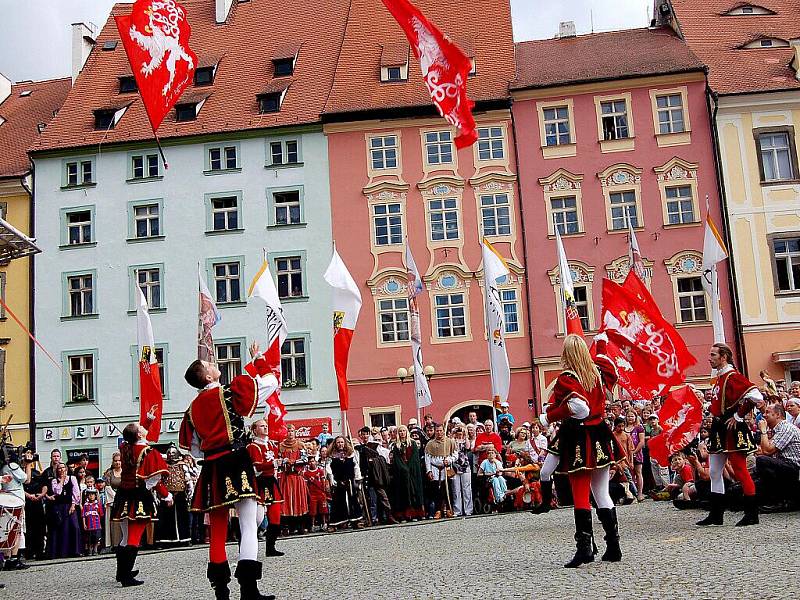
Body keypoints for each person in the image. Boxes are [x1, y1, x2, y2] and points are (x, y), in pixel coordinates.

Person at [180, 342, 279, 600]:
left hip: (212, 466)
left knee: (218, 528)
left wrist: (212, 448)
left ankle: (221, 592)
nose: (215, 364)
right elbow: (270, 383)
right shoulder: (227, 393)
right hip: (235, 460)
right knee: (248, 524)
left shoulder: (190, 410)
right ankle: (248, 590)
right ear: (208, 376)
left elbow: (194, 450)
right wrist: (258, 358)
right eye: (210, 364)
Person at [538, 333, 622, 568]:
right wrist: (602, 343)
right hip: (600, 434)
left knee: (581, 494)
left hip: (579, 437)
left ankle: (584, 548)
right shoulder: (596, 371)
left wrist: (549, 416)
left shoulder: (568, 378)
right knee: (602, 492)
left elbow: (579, 408)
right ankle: (613, 546)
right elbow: (608, 364)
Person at [697, 343, 762, 528]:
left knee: (740, 469)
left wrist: (738, 415)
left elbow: (756, 396)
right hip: (719, 427)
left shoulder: (733, 376)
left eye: (713, 355)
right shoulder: (720, 377)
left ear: (723, 356)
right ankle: (716, 514)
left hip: (731, 428)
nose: (709, 358)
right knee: (715, 471)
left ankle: (751, 514)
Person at [111, 421, 172, 586]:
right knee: (134, 538)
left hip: (122, 496)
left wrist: (148, 420)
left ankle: (122, 572)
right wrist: (166, 496)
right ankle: (126, 578)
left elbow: (133, 435)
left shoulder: (124, 447)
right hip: (138, 497)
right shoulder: (148, 452)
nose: (145, 428)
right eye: (142, 428)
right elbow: (154, 481)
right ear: (138, 435)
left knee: (125, 538)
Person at [247, 419, 283, 558]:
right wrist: (272, 464)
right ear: (255, 430)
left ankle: (271, 548)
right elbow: (256, 468)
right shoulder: (253, 447)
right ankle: (246, 547)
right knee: (256, 518)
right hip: (259, 483)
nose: (266, 428)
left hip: (271, 482)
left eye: (266, 426)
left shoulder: (271, 445)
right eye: (262, 426)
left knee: (275, 517)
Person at [755, 403, 800, 510]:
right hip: (786, 466)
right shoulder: (778, 429)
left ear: (778, 415)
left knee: (762, 461)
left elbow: (766, 451)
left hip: (795, 468)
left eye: (767, 413)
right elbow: (764, 450)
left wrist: (763, 430)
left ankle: (777, 501)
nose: (764, 415)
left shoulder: (786, 428)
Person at [354, 428, 393, 525]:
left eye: (367, 434)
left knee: (384, 498)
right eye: (363, 434)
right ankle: (373, 519)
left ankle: (388, 516)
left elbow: (382, 459)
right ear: (361, 436)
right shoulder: (359, 449)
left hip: (377, 476)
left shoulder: (375, 446)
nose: (365, 436)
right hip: (367, 477)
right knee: (372, 500)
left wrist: (374, 461)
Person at [156, 446, 192, 545]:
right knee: (166, 518)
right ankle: (166, 540)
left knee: (183, 517)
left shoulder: (183, 465)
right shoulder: (163, 466)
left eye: (173, 453)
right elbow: (160, 480)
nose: (171, 455)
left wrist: (189, 493)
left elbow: (188, 479)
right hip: (166, 494)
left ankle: (185, 539)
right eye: (169, 453)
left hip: (180, 493)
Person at [326, 436, 363, 531]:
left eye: (342, 442)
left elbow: (356, 467)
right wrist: (332, 480)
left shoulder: (350, 454)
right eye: (338, 442)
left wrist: (358, 478)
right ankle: (337, 523)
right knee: (338, 502)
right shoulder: (331, 456)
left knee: (353, 501)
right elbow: (328, 470)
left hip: (350, 481)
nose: (340, 444)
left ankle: (356, 521)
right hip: (338, 482)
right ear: (335, 444)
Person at [278, 425, 309, 534]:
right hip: (286, 478)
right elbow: (278, 461)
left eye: (292, 431)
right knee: (286, 501)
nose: (290, 433)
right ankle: (286, 526)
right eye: (288, 431)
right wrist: (284, 461)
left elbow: (305, 459)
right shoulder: (281, 446)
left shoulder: (300, 445)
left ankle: (300, 525)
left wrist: (294, 462)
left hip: (297, 477)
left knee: (298, 500)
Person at [389, 425, 425, 522]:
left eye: (404, 431)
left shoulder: (412, 444)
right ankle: (404, 515)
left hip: (412, 473)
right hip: (402, 475)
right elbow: (397, 460)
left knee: (414, 492)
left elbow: (415, 458)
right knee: (403, 494)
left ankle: (415, 514)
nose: (402, 433)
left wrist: (409, 468)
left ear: (406, 432)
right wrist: (404, 469)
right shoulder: (396, 446)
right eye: (400, 431)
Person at [46, 463, 82, 559]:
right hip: (59, 507)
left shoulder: (72, 478)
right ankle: (62, 552)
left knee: (74, 527)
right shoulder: (54, 481)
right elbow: (57, 492)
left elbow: (76, 492)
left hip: (70, 505)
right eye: (59, 468)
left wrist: (74, 504)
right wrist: (61, 480)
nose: (61, 470)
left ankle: (76, 550)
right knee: (61, 529)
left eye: (63, 467)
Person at [424, 424, 457, 518]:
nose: (439, 433)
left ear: (444, 431)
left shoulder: (450, 442)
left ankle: (448, 509)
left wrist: (449, 460)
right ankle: (438, 510)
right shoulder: (430, 444)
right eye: (437, 431)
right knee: (436, 491)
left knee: (447, 490)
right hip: (435, 468)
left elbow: (455, 454)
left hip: (445, 468)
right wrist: (429, 471)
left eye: (441, 430)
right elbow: (427, 458)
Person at [449, 426, 473, 517]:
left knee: (466, 488)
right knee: (456, 489)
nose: (459, 433)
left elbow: (468, 447)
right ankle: (457, 510)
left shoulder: (465, 440)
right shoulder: (453, 441)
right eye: (458, 432)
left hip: (465, 466)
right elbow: (449, 445)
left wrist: (465, 434)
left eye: (461, 432)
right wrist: (452, 432)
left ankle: (468, 510)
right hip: (455, 467)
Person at [623, 409, 646, 502]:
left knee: (638, 472)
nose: (630, 418)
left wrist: (634, 451)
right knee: (628, 474)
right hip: (625, 455)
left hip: (637, 453)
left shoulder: (639, 428)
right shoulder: (623, 428)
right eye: (628, 416)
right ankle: (631, 493)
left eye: (632, 416)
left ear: (635, 417)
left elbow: (642, 441)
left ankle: (640, 493)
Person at [103, 452, 123, 549]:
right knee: (114, 521)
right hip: (113, 500)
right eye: (115, 461)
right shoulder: (109, 473)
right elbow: (107, 487)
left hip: (124, 499)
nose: (117, 463)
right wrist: (116, 497)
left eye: (119, 460)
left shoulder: (125, 472)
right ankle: (115, 543)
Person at [303, 456, 329, 532]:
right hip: (312, 494)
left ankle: (324, 523)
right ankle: (313, 525)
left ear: (316, 462)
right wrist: (308, 494)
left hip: (320, 493)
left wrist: (324, 490)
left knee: (323, 509)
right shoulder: (306, 473)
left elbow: (323, 482)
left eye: (313, 461)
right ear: (308, 463)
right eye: (310, 461)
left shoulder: (320, 471)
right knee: (312, 511)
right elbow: (306, 485)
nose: (312, 463)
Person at [81, 488, 103, 556]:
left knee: (96, 538)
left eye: (92, 494)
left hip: (96, 525)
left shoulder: (98, 504)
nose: (91, 496)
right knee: (89, 539)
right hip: (89, 526)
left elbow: (101, 514)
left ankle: (95, 549)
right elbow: (83, 515)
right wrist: (84, 524)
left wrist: (100, 524)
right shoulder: (85, 505)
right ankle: (90, 549)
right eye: (89, 495)